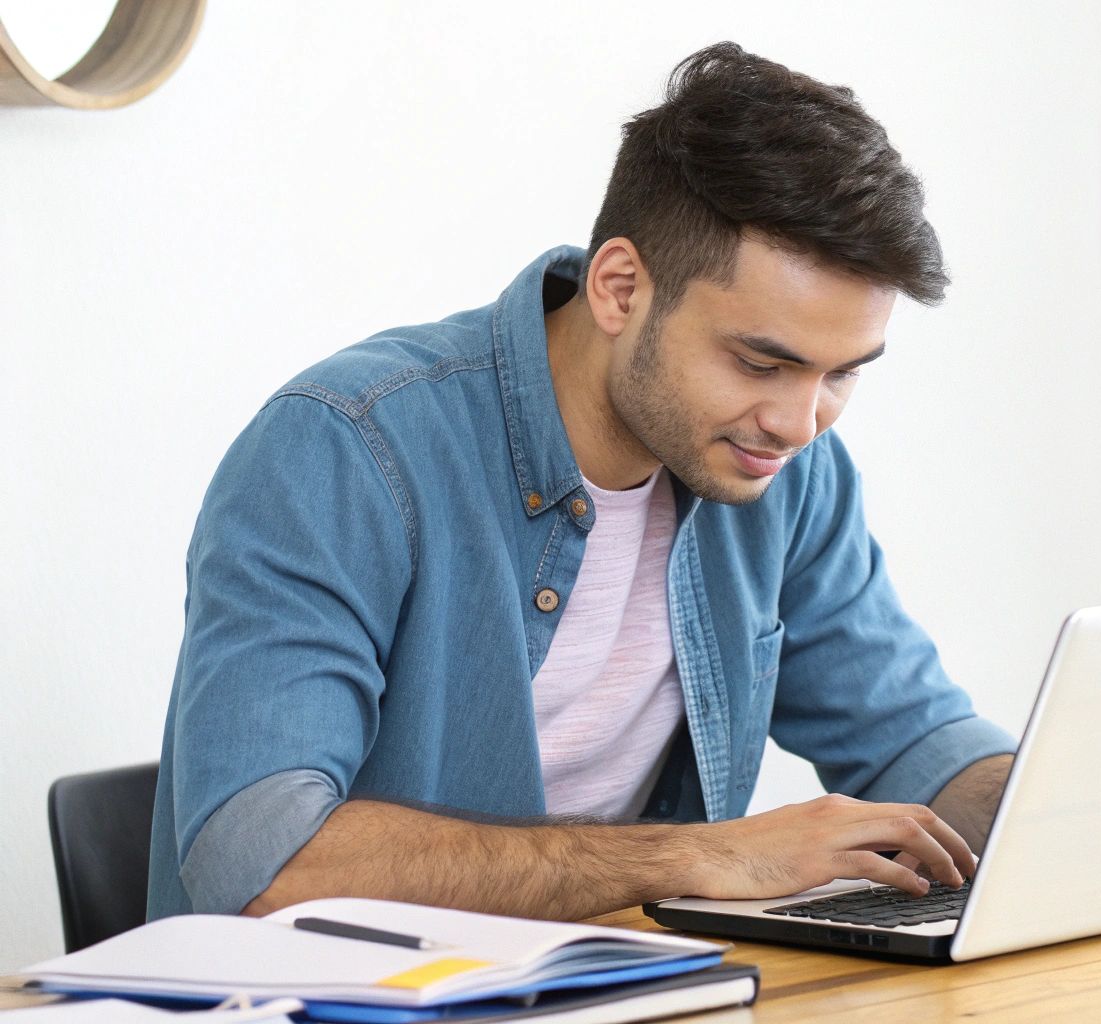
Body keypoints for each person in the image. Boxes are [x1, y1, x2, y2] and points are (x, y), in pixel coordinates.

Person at [145, 42, 1017, 922]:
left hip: (628, 979)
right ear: (620, 289)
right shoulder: (347, 448)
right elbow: (261, 861)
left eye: (843, 372)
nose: (799, 423)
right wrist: (702, 856)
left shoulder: (784, 471)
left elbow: (914, 740)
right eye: (762, 363)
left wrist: (1066, 806)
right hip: (343, 988)